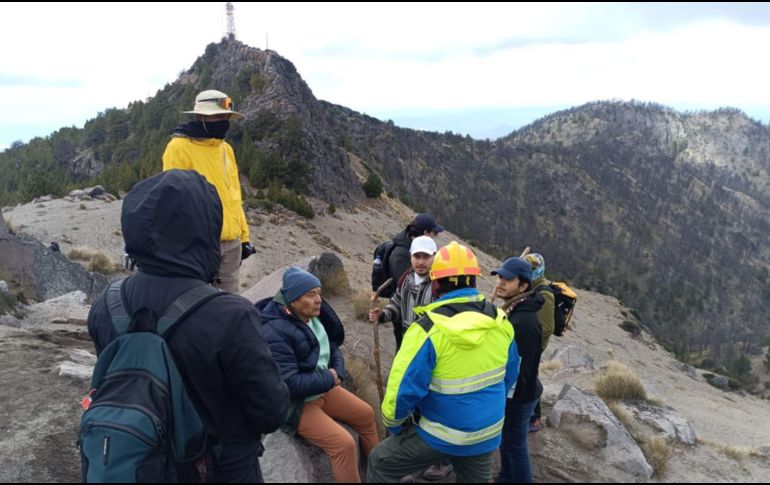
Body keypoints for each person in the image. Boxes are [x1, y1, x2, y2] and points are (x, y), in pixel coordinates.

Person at [87, 169, 289, 482]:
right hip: (221, 470)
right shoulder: (231, 315)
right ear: (204, 229)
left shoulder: (106, 303)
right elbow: (271, 412)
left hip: (137, 463)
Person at [367, 241, 520, 483]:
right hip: (486, 432)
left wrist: (394, 427)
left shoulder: (427, 330)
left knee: (380, 462)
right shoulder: (501, 323)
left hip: (440, 433)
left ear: (435, 283)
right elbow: (510, 376)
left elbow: (401, 393)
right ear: (475, 281)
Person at [258, 267, 380, 483]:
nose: (319, 300)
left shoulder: (312, 317)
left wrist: (338, 373)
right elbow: (289, 383)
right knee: (343, 444)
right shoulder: (275, 331)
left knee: (366, 415)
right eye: (311, 294)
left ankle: (380, 475)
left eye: (319, 293)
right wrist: (330, 378)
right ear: (293, 300)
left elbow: (332, 346)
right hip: (296, 404)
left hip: (322, 389)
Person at [162, 89, 255, 293]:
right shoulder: (178, 147)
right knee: (196, 303)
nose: (224, 122)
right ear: (201, 116)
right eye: (219, 116)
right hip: (198, 244)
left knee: (228, 307)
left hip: (231, 244)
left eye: (226, 117)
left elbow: (233, 196)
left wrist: (244, 237)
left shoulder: (226, 149)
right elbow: (173, 199)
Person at [491, 257, 544, 483]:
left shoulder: (524, 321)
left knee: (515, 446)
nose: (501, 282)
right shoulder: (515, 309)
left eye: (508, 279)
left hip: (520, 397)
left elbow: (520, 370)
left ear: (523, 286)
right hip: (518, 394)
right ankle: (505, 477)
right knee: (508, 442)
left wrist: (506, 398)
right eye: (500, 277)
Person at [385, 213, 444, 347]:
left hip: (430, 343)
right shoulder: (405, 276)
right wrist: (383, 315)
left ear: (433, 257)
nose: (421, 262)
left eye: (426, 257)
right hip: (408, 336)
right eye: (417, 257)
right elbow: (399, 303)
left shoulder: (440, 283)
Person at [523, 252, 554, 433]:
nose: (530, 272)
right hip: (530, 343)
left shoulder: (544, 293)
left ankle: (535, 418)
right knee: (529, 377)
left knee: (531, 377)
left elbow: (547, 327)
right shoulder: (533, 287)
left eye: (533, 269)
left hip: (534, 345)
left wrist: (535, 347)